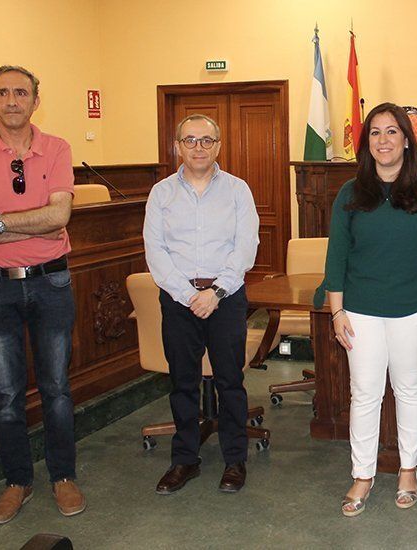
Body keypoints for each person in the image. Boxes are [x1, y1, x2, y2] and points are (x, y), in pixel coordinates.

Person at [313, 102, 417, 516]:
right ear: (366, 144)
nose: (383, 140)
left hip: (416, 307)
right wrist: (337, 312)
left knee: (409, 389)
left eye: (392, 131)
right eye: (375, 132)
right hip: (359, 309)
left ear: (406, 141)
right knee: (364, 393)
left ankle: (408, 469)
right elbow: (337, 257)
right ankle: (362, 475)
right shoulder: (350, 192)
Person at [0, 65, 85, 524]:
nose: (12, 100)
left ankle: (63, 476)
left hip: (52, 282)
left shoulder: (58, 148)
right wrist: (32, 221)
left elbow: (59, 218)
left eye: (21, 93)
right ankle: (17, 482)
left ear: (35, 100)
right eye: (3, 93)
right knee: (6, 396)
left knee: (57, 390)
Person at [143, 114, 259, 495]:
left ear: (218, 146)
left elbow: (246, 247)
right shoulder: (161, 193)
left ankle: (234, 459)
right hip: (179, 300)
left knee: (230, 381)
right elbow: (155, 252)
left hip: (225, 298)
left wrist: (216, 293)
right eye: (190, 140)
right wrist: (187, 295)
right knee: (183, 382)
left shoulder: (238, 190)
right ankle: (185, 460)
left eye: (206, 141)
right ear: (177, 146)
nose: (198, 147)